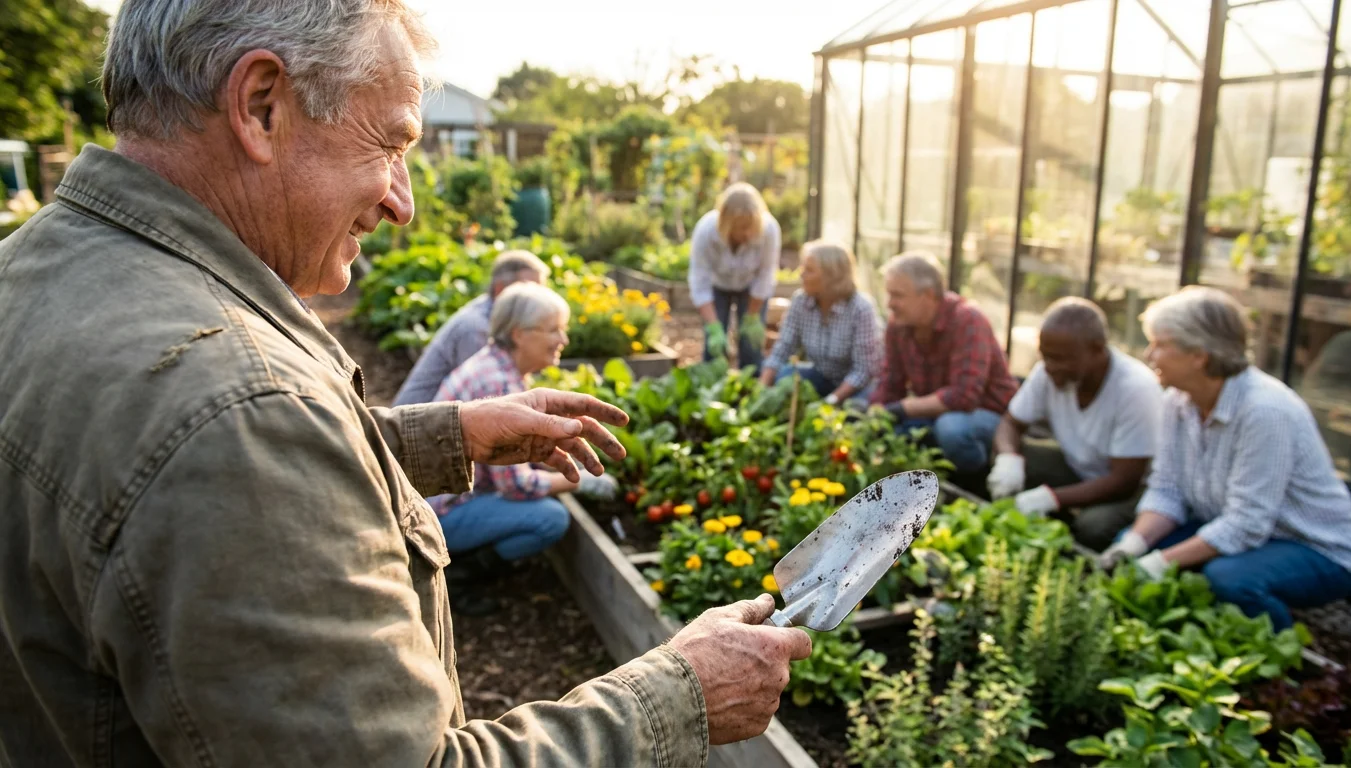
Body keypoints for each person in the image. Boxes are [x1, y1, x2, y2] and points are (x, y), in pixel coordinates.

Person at [0, 2, 812, 766]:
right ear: (260, 106)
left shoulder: (40, 270)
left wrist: (437, 437)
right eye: (388, 145)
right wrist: (681, 694)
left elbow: (167, 482)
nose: (402, 201)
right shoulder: (234, 416)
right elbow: (225, 449)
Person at [1098, 287, 1351, 630]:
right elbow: (1167, 489)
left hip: (1315, 548)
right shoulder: (1177, 402)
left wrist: (1160, 562)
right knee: (1129, 546)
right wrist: (1136, 544)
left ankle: (1281, 653)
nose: (1150, 355)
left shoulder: (1265, 411)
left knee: (1227, 579)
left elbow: (1248, 523)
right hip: (1241, 529)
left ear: (1199, 355)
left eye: (1161, 344)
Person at [430, 283, 617, 615]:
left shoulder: (498, 366)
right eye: (554, 329)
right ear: (519, 334)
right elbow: (518, 486)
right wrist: (580, 482)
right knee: (551, 519)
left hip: (445, 495)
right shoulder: (498, 383)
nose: (564, 340)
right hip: (440, 512)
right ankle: (456, 578)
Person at [987, 297, 1161, 550]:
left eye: (1061, 359)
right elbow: (1011, 423)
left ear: (1097, 349)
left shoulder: (1135, 389)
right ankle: (1046, 526)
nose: (1050, 367)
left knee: (1093, 527)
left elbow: (1124, 481)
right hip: (1078, 468)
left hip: (1133, 490)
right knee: (1010, 456)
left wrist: (1051, 498)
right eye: (1045, 356)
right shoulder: (1048, 372)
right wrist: (1008, 459)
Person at [870, 251, 1019, 474]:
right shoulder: (898, 325)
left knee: (951, 430)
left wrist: (902, 408)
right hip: (937, 412)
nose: (890, 304)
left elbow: (965, 395)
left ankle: (976, 484)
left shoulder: (968, 320)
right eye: (888, 295)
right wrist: (874, 414)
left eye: (897, 295)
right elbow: (890, 380)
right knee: (883, 424)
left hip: (990, 415)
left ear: (928, 295)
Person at [393, 249, 549, 405]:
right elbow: (485, 398)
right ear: (500, 289)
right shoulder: (476, 329)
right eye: (528, 290)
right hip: (415, 423)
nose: (537, 298)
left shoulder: (494, 316)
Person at [758, 240, 881, 404]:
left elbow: (863, 370)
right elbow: (783, 348)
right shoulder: (800, 301)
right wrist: (761, 387)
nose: (801, 274)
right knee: (784, 377)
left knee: (857, 407)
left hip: (856, 386)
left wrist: (831, 401)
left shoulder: (861, 308)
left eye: (809, 270)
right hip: (821, 377)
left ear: (832, 276)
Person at [688, 182, 781, 371]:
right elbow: (699, 281)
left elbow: (766, 275)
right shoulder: (706, 231)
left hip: (750, 286)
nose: (747, 233)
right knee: (715, 347)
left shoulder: (769, 229)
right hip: (717, 286)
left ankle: (752, 388)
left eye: (751, 227)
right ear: (726, 222)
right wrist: (713, 327)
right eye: (742, 227)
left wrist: (752, 317)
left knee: (750, 344)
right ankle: (712, 388)